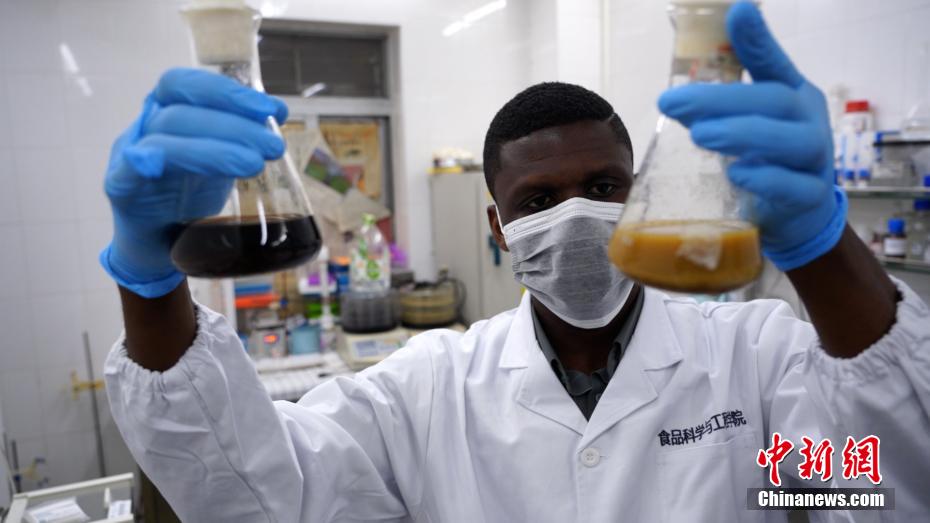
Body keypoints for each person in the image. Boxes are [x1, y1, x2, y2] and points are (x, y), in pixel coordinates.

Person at [102, 3, 929, 522]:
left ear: (641, 196)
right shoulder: (425, 391)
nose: (575, 214)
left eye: (603, 187)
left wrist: (821, 247)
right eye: (537, 199)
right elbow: (257, 495)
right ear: (498, 226)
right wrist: (150, 279)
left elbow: (881, 492)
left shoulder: (758, 359)